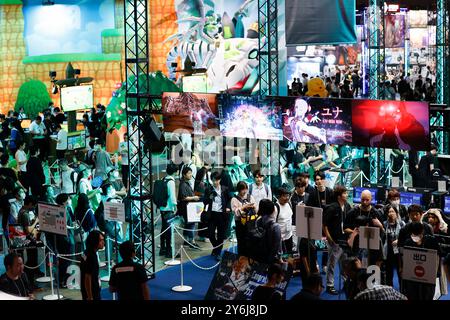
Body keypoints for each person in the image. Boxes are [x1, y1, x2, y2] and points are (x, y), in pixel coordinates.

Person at [323, 185, 352, 295]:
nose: (347, 195)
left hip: (344, 241)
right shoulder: (332, 207)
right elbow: (324, 224)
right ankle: (330, 285)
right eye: (344, 193)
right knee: (332, 263)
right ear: (339, 196)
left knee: (344, 263)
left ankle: (345, 283)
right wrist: (329, 238)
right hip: (334, 240)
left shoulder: (348, 206)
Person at [344, 190, 384, 266]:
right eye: (363, 200)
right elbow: (345, 228)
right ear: (360, 199)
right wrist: (354, 232)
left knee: (370, 270)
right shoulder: (353, 212)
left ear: (371, 199)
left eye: (367, 200)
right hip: (356, 246)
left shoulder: (376, 213)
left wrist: (380, 225)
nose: (365, 202)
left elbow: (383, 232)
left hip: (373, 248)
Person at [402, 222, 441, 300]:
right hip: (412, 278)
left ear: (422, 231)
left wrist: (435, 272)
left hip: (428, 278)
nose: (416, 236)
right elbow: (405, 259)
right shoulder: (408, 242)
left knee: (427, 296)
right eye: (414, 234)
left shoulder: (431, 241)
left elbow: (438, 256)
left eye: (418, 234)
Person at [204, 171, 231, 260]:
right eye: (213, 180)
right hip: (212, 214)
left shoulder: (225, 189)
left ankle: (218, 252)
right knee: (210, 234)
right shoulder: (209, 189)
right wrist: (209, 197)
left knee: (221, 235)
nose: (215, 182)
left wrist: (228, 207)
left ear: (220, 180)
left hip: (222, 215)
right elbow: (205, 201)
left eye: (217, 180)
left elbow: (230, 200)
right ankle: (216, 248)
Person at [55, 193, 76, 286]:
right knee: (67, 260)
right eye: (68, 199)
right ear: (64, 202)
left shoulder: (56, 209)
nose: (69, 200)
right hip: (67, 238)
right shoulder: (65, 210)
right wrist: (73, 228)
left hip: (60, 238)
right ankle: (65, 280)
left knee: (63, 261)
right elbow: (64, 225)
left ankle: (61, 280)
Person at [158, 163, 178, 258]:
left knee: (163, 229)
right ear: (175, 171)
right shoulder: (171, 182)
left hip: (162, 208)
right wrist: (175, 207)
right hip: (169, 209)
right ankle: (169, 251)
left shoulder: (163, 179)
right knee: (169, 230)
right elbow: (172, 196)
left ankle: (163, 248)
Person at [231, 181, 256, 256]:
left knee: (251, 242)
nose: (244, 191)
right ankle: (241, 259)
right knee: (241, 242)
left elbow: (256, 209)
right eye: (242, 189)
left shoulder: (250, 197)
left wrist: (253, 207)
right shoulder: (234, 199)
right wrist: (244, 207)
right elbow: (236, 213)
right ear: (238, 190)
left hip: (251, 222)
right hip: (240, 224)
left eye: (245, 189)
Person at [177, 166, 200, 249]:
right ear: (184, 175)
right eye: (189, 173)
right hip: (187, 208)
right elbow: (184, 197)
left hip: (188, 207)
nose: (190, 175)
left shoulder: (186, 183)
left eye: (191, 173)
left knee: (188, 225)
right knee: (191, 225)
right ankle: (192, 241)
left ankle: (186, 241)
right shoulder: (183, 184)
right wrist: (194, 198)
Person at [383, 205, 405, 287]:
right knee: (389, 274)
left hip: (399, 253)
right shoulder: (384, 224)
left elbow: (406, 238)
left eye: (393, 211)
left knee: (401, 273)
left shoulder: (402, 224)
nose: (391, 213)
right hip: (388, 252)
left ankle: (403, 292)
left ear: (396, 213)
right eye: (389, 212)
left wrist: (399, 241)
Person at [80, 230, 105, 300]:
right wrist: (90, 296)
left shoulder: (86, 252)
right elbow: (87, 277)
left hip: (86, 289)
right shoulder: (92, 257)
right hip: (92, 291)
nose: (103, 242)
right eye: (101, 240)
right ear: (94, 241)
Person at [274, 187, 294, 254]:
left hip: (289, 235)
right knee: (283, 258)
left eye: (288, 195)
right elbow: (273, 224)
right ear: (279, 196)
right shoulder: (276, 207)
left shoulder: (289, 204)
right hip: (280, 238)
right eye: (284, 196)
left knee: (289, 256)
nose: (287, 198)